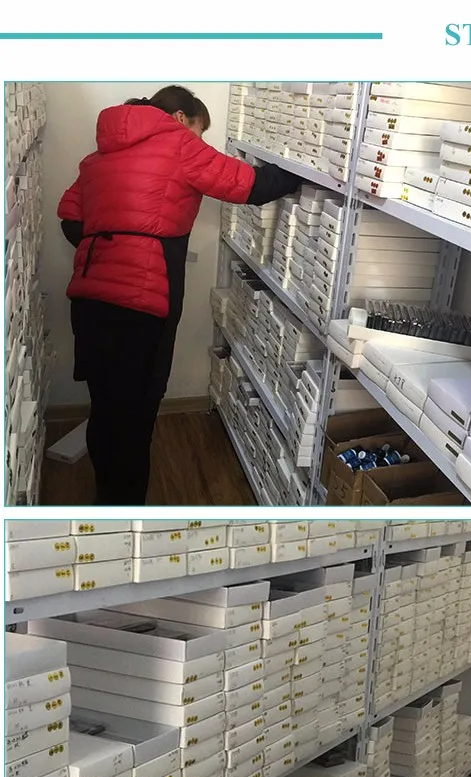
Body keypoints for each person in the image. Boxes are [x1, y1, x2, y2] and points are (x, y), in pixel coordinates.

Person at [57, 85, 302, 505]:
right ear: (180, 118)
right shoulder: (177, 143)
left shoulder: (100, 155)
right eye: (200, 131)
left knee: (105, 406)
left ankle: (105, 499)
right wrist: (305, 169)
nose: (200, 140)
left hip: (89, 301)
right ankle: (125, 513)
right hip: (143, 305)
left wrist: (113, 244)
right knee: (137, 415)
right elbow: (252, 186)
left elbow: (70, 220)